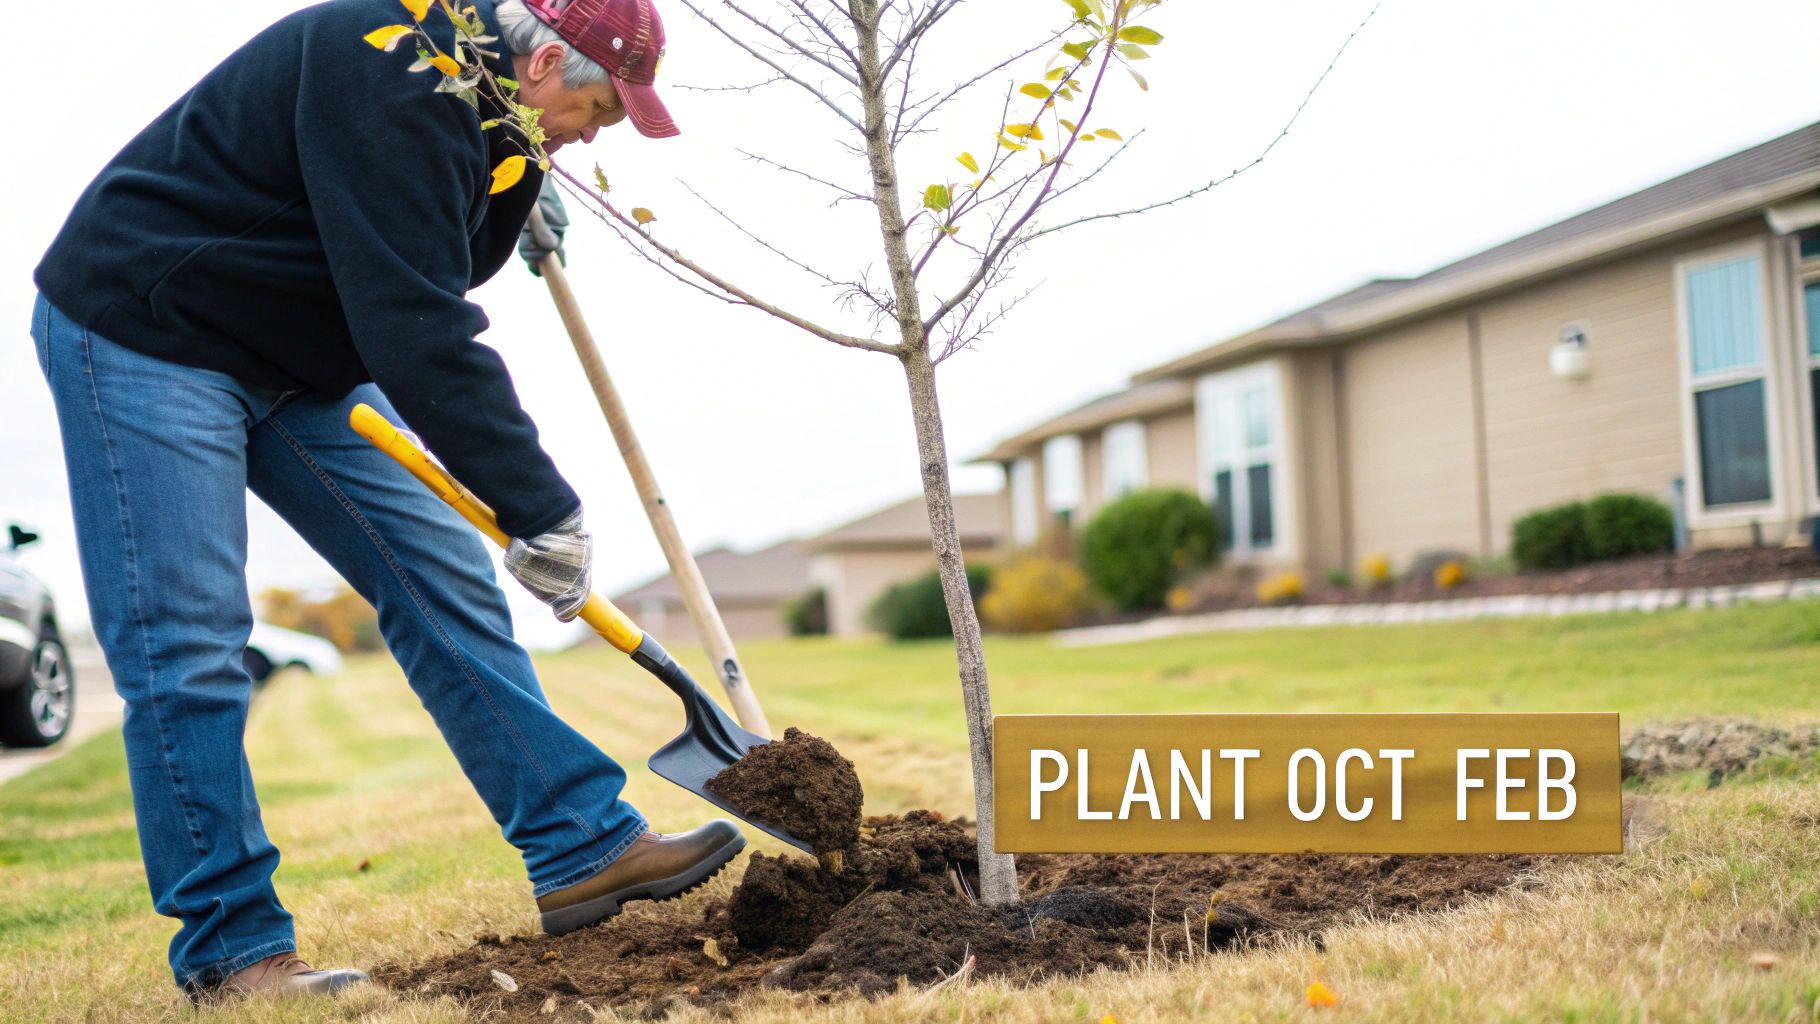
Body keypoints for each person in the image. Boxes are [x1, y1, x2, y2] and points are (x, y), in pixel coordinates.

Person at [30, 0, 743, 1001]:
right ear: (541, 63)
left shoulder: (492, 98)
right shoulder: (391, 63)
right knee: (188, 646)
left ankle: (582, 845)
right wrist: (540, 505)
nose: (593, 135)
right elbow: (414, 323)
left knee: (439, 572)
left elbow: (426, 232)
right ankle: (234, 955)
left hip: (297, 348)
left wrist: (516, 177)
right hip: (149, 325)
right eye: (598, 113)